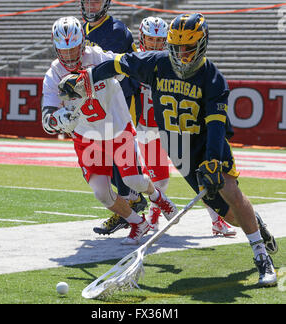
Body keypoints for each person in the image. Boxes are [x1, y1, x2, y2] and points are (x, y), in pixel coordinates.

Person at [80, 13, 278, 286]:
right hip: (177, 148)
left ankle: (261, 256)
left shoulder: (212, 78)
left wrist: (211, 162)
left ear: (202, 45)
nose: (181, 54)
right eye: (176, 47)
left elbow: (217, 126)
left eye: (188, 48)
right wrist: (85, 79)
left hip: (207, 142)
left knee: (229, 190)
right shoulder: (157, 63)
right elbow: (117, 64)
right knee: (228, 214)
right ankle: (257, 222)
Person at [41, 16, 179, 246]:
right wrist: (58, 119)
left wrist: (94, 77)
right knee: (101, 193)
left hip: (115, 127)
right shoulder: (53, 74)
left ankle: (158, 197)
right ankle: (138, 223)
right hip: (87, 136)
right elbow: (47, 120)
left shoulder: (97, 56)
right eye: (63, 51)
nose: (68, 56)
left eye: (73, 49)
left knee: (134, 180)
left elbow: (123, 67)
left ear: (82, 42)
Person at [137, 16, 236, 236]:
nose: (154, 44)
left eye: (159, 40)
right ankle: (147, 218)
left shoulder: (173, 63)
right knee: (158, 178)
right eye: (150, 39)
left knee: (201, 177)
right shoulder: (143, 62)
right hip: (147, 128)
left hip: (178, 129)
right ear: (141, 38)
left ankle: (216, 219)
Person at [79, 0, 147, 236]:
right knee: (106, 157)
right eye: (87, 1)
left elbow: (108, 70)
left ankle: (133, 205)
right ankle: (131, 206)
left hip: (121, 98)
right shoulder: (83, 30)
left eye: (95, 1)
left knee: (121, 154)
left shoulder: (115, 31)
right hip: (101, 101)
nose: (90, 6)